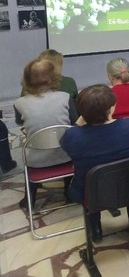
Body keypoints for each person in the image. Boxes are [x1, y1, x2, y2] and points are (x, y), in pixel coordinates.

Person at [60, 84, 129, 243]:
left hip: (89, 193)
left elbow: (66, 144)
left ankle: (95, 230)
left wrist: (80, 120)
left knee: (91, 180)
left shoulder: (73, 136)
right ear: (111, 109)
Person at [14, 59, 78, 208]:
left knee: (29, 149)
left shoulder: (19, 103)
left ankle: (29, 198)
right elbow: (74, 122)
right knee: (67, 141)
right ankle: (69, 192)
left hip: (36, 160)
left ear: (27, 79)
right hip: (66, 156)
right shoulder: (65, 97)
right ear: (54, 77)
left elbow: (19, 123)